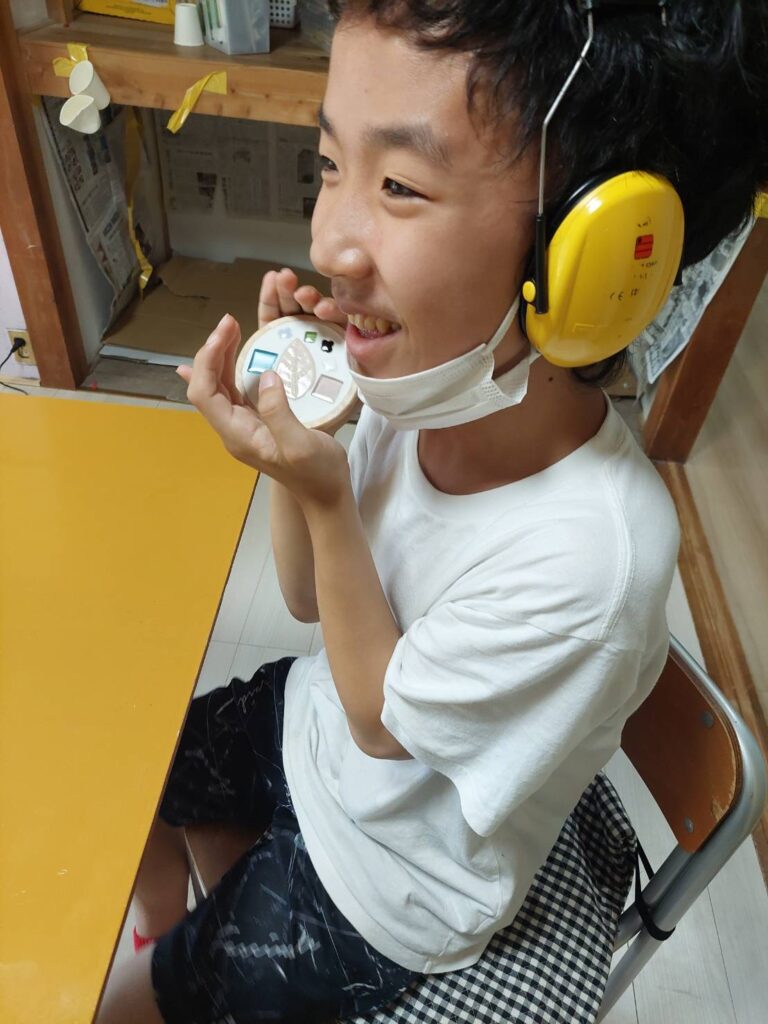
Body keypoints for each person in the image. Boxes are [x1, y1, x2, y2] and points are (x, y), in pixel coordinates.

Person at [96, 2, 768, 1022]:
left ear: (587, 259)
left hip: (386, 885)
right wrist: (302, 451)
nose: (328, 240)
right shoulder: (419, 388)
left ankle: (178, 963)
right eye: (331, 164)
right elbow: (307, 598)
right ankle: (170, 922)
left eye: (399, 184)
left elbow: (382, 723)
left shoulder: (598, 557)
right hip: (315, 729)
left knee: (140, 999)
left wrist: (325, 489)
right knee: (135, 767)